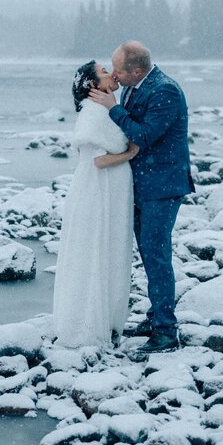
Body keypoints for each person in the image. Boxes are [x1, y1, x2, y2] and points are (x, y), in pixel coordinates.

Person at [88, 40, 193, 353]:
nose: (115, 76)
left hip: (162, 187)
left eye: (118, 69)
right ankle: (155, 316)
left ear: (136, 70)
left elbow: (144, 135)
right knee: (149, 255)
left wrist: (112, 109)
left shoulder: (165, 91)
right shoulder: (134, 87)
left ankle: (165, 332)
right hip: (142, 185)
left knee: (157, 256)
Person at [52, 60, 140, 348]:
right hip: (97, 191)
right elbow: (97, 160)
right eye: (104, 72)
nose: (112, 74)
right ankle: (86, 323)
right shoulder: (92, 114)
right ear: (92, 86)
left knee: (111, 249)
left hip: (112, 190)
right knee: (95, 249)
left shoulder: (108, 109)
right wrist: (129, 154)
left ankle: (109, 320)